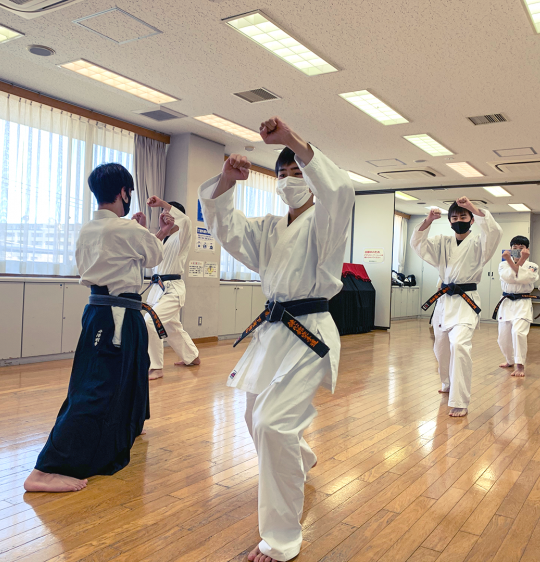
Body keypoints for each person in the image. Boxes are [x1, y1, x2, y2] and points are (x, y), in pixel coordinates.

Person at [199, 117, 354, 562]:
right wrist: (227, 181)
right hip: (273, 331)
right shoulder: (269, 227)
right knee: (254, 417)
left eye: (296, 172)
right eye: (281, 174)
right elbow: (227, 230)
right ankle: (300, 459)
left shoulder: (327, 221)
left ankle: (283, 537)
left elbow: (340, 192)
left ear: (311, 176)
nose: (288, 180)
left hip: (309, 333)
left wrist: (290, 141)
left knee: (272, 423)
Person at [24, 164, 176, 494]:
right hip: (117, 315)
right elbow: (154, 255)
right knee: (97, 385)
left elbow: (137, 255)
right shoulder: (125, 230)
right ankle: (46, 469)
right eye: (129, 194)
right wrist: (155, 232)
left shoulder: (89, 230)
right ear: (124, 193)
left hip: (104, 310)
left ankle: (129, 429)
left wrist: (143, 234)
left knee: (136, 369)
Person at [412, 198, 503, 418]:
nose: (458, 220)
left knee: (460, 345)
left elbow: (494, 231)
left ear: (472, 220)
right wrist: (428, 220)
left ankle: (460, 400)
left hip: (466, 301)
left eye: (463, 217)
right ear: (450, 221)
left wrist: (472, 207)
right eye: (454, 217)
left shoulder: (480, 243)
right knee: (441, 348)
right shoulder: (442, 241)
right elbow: (418, 244)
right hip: (444, 302)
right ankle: (447, 382)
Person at [142, 197, 201, 381]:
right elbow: (147, 252)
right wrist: (161, 230)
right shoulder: (166, 238)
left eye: (170, 213)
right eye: (164, 214)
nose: (167, 216)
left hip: (173, 289)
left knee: (150, 322)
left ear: (177, 215)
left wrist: (161, 203)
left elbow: (186, 220)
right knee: (172, 327)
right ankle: (192, 356)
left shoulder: (183, 235)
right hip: (158, 289)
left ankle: (156, 367)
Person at [495, 236, 540, 378]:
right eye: (515, 248)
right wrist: (509, 261)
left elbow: (522, 278)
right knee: (503, 336)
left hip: (523, 302)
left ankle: (520, 365)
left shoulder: (533, 266)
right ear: (510, 248)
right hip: (506, 302)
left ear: (527, 250)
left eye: (521, 248)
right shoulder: (503, 265)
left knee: (518, 333)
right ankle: (509, 360)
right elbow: (509, 278)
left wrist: (515, 261)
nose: (518, 250)